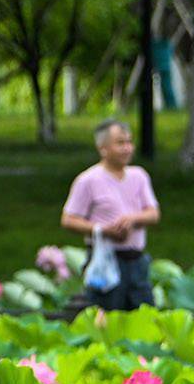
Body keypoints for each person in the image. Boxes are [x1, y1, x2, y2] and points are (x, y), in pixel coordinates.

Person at [62, 117, 161, 311]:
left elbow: (153, 213)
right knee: (105, 318)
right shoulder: (88, 180)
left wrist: (133, 219)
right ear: (103, 148)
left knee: (145, 317)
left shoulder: (139, 176)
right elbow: (68, 219)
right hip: (105, 260)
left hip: (136, 261)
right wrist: (102, 230)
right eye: (120, 143)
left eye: (129, 142)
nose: (127, 148)